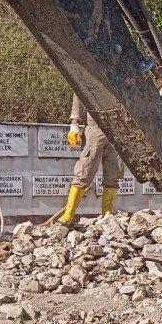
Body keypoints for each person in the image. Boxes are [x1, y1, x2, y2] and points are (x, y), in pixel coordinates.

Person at [59, 93, 121, 226]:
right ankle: (68, 214)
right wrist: (74, 123)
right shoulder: (93, 73)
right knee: (84, 171)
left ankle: (107, 214)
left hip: (118, 129)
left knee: (114, 173)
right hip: (94, 127)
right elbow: (78, 94)